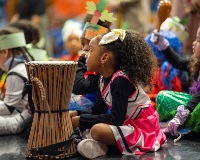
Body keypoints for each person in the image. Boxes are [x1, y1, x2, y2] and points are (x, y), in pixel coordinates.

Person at [70, 29, 166, 159]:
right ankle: (101, 146)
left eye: (91, 50)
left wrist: (81, 120)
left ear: (104, 58)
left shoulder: (121, 80)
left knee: (96, 129)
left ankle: (104, 145)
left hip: (143, 128)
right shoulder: (102, 78)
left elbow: (116, 119)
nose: (85, 54)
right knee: (90, 127)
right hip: (127, 124)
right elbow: (97, 109)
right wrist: (76, 114)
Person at [150, 26, 200, 136]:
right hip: (194, 104)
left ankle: (187, 123)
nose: (194, 43)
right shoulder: (197, 62)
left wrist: (181, 115)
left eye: (198, 40)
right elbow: (178, 62)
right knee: (163, 97)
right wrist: (162, 44)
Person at [72, 0, 115, 104]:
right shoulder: (95, 68)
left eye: (90, 47)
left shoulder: (107, 71)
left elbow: (78, 87)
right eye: (83, 44)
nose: (84, 49)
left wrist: (81, 61)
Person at [0, 27, 32, 135]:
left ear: (4, 52)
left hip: (20, 121)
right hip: (26, 118)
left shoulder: (15, 72)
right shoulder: (25, 65)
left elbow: (8, 108)